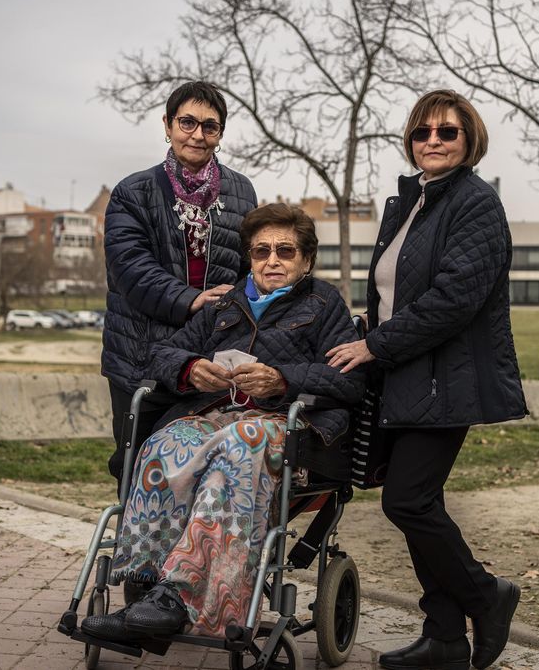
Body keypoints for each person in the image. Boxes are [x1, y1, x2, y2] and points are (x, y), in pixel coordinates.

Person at [81, 203, 365, 643]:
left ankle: (181, 597)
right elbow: (163, 352)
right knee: (164, 443)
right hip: (215, 414)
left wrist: (282, 379)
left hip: (285, 425)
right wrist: (190, 367)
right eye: (261, 251)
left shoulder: (324, 303)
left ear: (306, 259)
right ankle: (147, 588)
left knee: (238, 445)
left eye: (285, 251)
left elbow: (349, 380)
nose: (272, 260)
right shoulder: (228, 301)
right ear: (249, 257)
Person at [326, 89, 528, 670]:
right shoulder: (411, 201)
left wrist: (375, 345)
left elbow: (452, 301)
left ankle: (487, 595)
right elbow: (398, 294)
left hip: (447, 379)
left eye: (447, 133)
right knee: (419, 501)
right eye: (423, 133)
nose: (433, 142)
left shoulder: (476, 203)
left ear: (470, 141)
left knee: (408, 501)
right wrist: (363, 329)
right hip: (404, 373)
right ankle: (444, 638)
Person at [102, 81, 258, 480]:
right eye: (187, 122)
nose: (198, 134)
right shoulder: (132, 192)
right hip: (141, 354)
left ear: (220, 134)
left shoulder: (241, 191)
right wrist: (194, 300)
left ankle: (191, 543)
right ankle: (132, 541)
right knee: (136, 467)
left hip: (209, 356)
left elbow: (248, 270)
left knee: (196, 466)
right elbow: (131, 270)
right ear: (168, 125)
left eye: (210, 126)